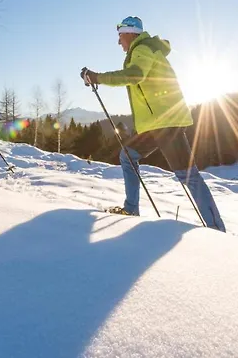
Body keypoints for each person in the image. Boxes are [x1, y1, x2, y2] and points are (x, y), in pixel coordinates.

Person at [81, 16, 226, 232]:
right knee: (127, 156)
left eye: (120, 36)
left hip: (166, 123)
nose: (119, 42)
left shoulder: (143, 50)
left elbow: (135, 75)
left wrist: (98, 77)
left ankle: (216, 229)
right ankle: (131, 209)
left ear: (130, 33)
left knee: (189, 176)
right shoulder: (143, 49)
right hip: (154, 125)